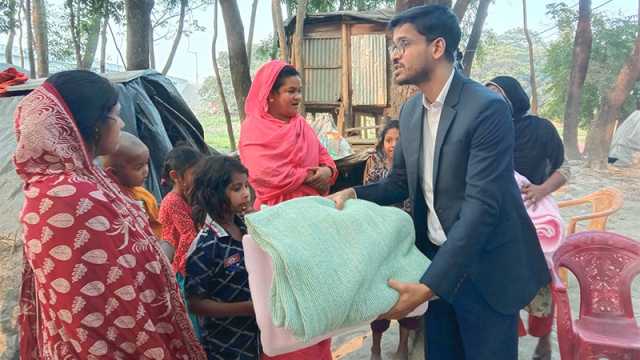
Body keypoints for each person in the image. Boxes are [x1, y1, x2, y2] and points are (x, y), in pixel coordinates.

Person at [329, 5, 549, 359]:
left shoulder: (487, 109)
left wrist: (429, 285)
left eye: (403, 44)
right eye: (392, 47)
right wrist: (352, 193)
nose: (394, 55)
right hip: (436, 261)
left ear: (437, 47)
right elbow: (399, 182)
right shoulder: (412, 112)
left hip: (486, 269)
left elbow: (482, 208)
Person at [15, 70, 205, 359]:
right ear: (94, 126)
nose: (122, 123)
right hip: (113, 344)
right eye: (116, 115)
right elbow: (93, 307)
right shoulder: (66, 196)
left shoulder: (86, 178)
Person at [239, 60, 337, 360]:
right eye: (290, 91)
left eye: (299, 91)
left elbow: (327, 161)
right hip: (277, 226)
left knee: (319, 298)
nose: (297, 97)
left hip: (313, 222)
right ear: (270, 94)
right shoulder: (254, 130)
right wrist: (311, 174)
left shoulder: (302, 126)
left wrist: (327, 172)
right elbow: (264, 174)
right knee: (287, 302)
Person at [486, 76, 569, 360]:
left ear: (514, 99)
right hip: (499, 216)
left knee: (540, 279)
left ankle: (544, 341)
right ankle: (508, 339)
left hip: (537, 217)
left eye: (496, 95)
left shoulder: (541, 129)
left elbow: (565, 168)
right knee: (501, 279)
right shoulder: (486, 130)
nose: (490, 101)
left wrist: (541, 188)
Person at [184, 155, 259, 359]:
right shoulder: (207, 246)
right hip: (227, 345)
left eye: (246, 186)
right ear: (214, 193)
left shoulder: (246, 225)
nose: (246, 194)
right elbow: (195, 303)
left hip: (258, 336)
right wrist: (246, 308)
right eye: (237, 189)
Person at [364, 119, 418, 360]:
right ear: (382, 142)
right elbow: (368, 196)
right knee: (380, 291)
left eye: (398, 140)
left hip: (409, 236)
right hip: (381, 236)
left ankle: (403, 345)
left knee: (410, 287)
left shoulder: (415, 164)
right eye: (388, 140)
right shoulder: (373, 163)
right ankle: (376, 345)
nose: (393, 145)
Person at [101, 131, 162, 238]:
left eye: (146, 163)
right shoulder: (113, 200)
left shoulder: (142, 193)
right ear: (113, 173)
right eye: (139, 167)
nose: (146, 170)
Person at [158, 145, 203, 275]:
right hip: (179, 263)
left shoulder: (189, 196)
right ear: (175, 176)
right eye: (195, 174)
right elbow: (189, 236)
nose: (200, 178)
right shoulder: (172, 201)